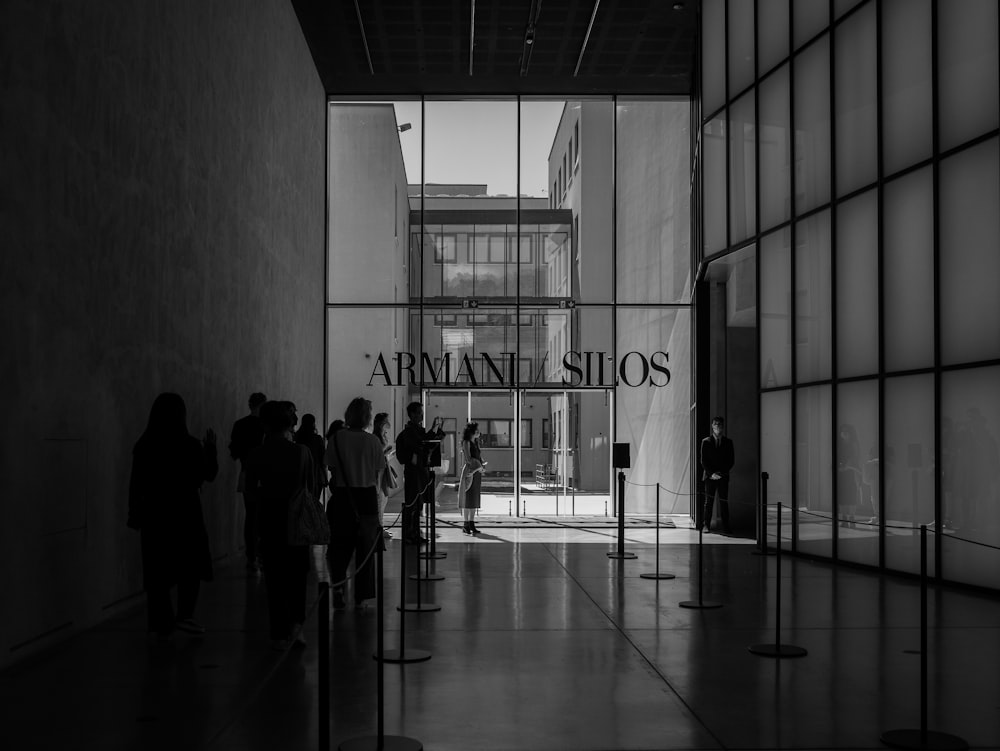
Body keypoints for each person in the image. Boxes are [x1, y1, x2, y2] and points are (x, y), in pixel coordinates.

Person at [128, 393, 218, 639]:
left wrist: (134, 515)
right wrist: (210, 450)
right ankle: (185, 615)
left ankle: (159, 623)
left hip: (155, 515)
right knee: (190, 565)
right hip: (186, 512)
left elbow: (136, 484)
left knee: (157, 571)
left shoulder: (145, 445)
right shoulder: (190, 445)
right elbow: (207, 475)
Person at [244, 401, 317, 650]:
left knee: (274, 578)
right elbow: (311, 488)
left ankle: (278, 630)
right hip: (296, 520)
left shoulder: (256, 454)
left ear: (264, 424)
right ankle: (296, 625)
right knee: (297, 576)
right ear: (289, 424)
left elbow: (250, 493)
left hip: (269, 518)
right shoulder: (302, 452)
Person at [325, 397, 386, 610]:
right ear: (367, 417)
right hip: (366, 498)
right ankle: (361, 596)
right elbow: (377, 472)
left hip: (343, 497)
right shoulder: (373, 442)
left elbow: (331, 468)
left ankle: (339, 588)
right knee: (365, 549)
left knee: (339, 547)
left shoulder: (337, 438)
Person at [395, 402, 444, 545]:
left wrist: (435, 429)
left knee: (418, 504)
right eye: (419, 412)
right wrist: (433, 432)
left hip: (420, 472)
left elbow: (425, 442)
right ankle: (410, 534)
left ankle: (415, 533)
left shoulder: (416, 431)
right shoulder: (409, 432)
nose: (421, 415)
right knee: (413, 503)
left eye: (421, 412)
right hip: (414, 472)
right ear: (411, 414)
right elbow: (421, 444)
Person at [229, 392, 267, 571]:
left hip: (246, 472)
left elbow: (234, 451)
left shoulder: (240, 425)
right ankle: (260, 554)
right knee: (263, 517)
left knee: (250, 515)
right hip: (265, 475)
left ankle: (251, 556)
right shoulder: (266, 426)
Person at [699, 415, 734, 534]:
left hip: (723, 477)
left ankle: (726, 526)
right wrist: (712, 474)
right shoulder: (706, 442)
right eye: (715, 424)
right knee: (708, 502)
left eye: (720, 424)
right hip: (709, 477)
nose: (717, 426)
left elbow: (731, 461)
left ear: (723, 427)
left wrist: (721, 474)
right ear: (712, 426)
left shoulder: (728, 442)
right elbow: (703, 461)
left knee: (724, 501)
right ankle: (706, 525)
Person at [458, 422, 486, 535]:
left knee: (474, 499)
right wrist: (479, 466)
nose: (478, 432)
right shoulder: (466, 442)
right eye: (476, 430)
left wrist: (482, 465)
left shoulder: (475, 442)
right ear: (471, 432)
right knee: (467, 499)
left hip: (477, 472)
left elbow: (478, 457)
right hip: (470, 472)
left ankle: (471, 524)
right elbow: (469, 459)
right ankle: (466, 525)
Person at [373, 412, 397, 539]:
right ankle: (378, 528)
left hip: (383, 470)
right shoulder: (375, 437)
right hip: (378, 473)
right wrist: (385, 453)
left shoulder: (382, 436)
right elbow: (376, 455)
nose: (389, 423)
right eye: (386, 421)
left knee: (383, 500)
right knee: (379, 500)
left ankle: (380, 527)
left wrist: (388, 454)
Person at [294, 413, 328, 497]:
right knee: (314, 502)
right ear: (313, 423)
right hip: (316, 475)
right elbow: (323, 460)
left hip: (300, 474)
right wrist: (324, 476)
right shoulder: (317, 439)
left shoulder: (297, 438)